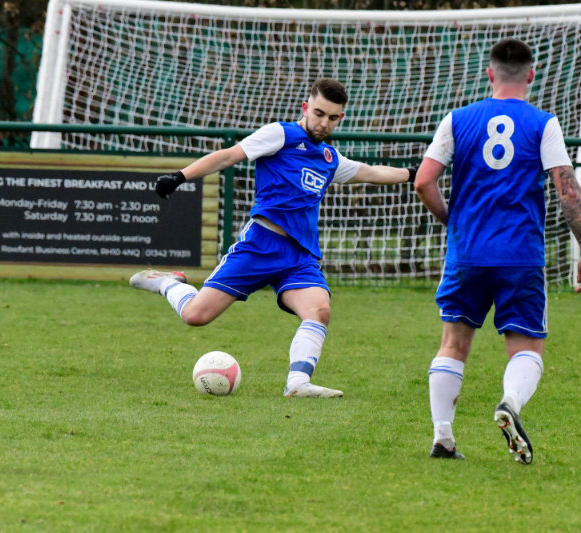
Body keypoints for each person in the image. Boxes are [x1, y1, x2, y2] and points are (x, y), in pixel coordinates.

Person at [130, 78, 415, 398]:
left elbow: (372, 172)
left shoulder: (329, 159)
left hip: (299, 256)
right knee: (196, 316)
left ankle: (298, 383)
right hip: (260, 245)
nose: (324, 123)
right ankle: (167, 282)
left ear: (341, 118)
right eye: (319, 113)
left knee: (319, 310)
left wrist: (416, 174)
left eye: (332, 118)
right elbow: (228, 156)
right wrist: (180, 176)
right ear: (305, 108)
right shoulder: (281, 134)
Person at [414, 39, 581, 463]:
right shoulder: (543, 123)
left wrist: (450, 219)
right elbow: (567, 190)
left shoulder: (458, 119)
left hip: (467, 253)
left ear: (490, 73)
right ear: (530, 75)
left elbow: (423, 181)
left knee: (453, 344)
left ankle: (443, 438)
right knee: (527, 347)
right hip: (520, 256)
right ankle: (510, 402)